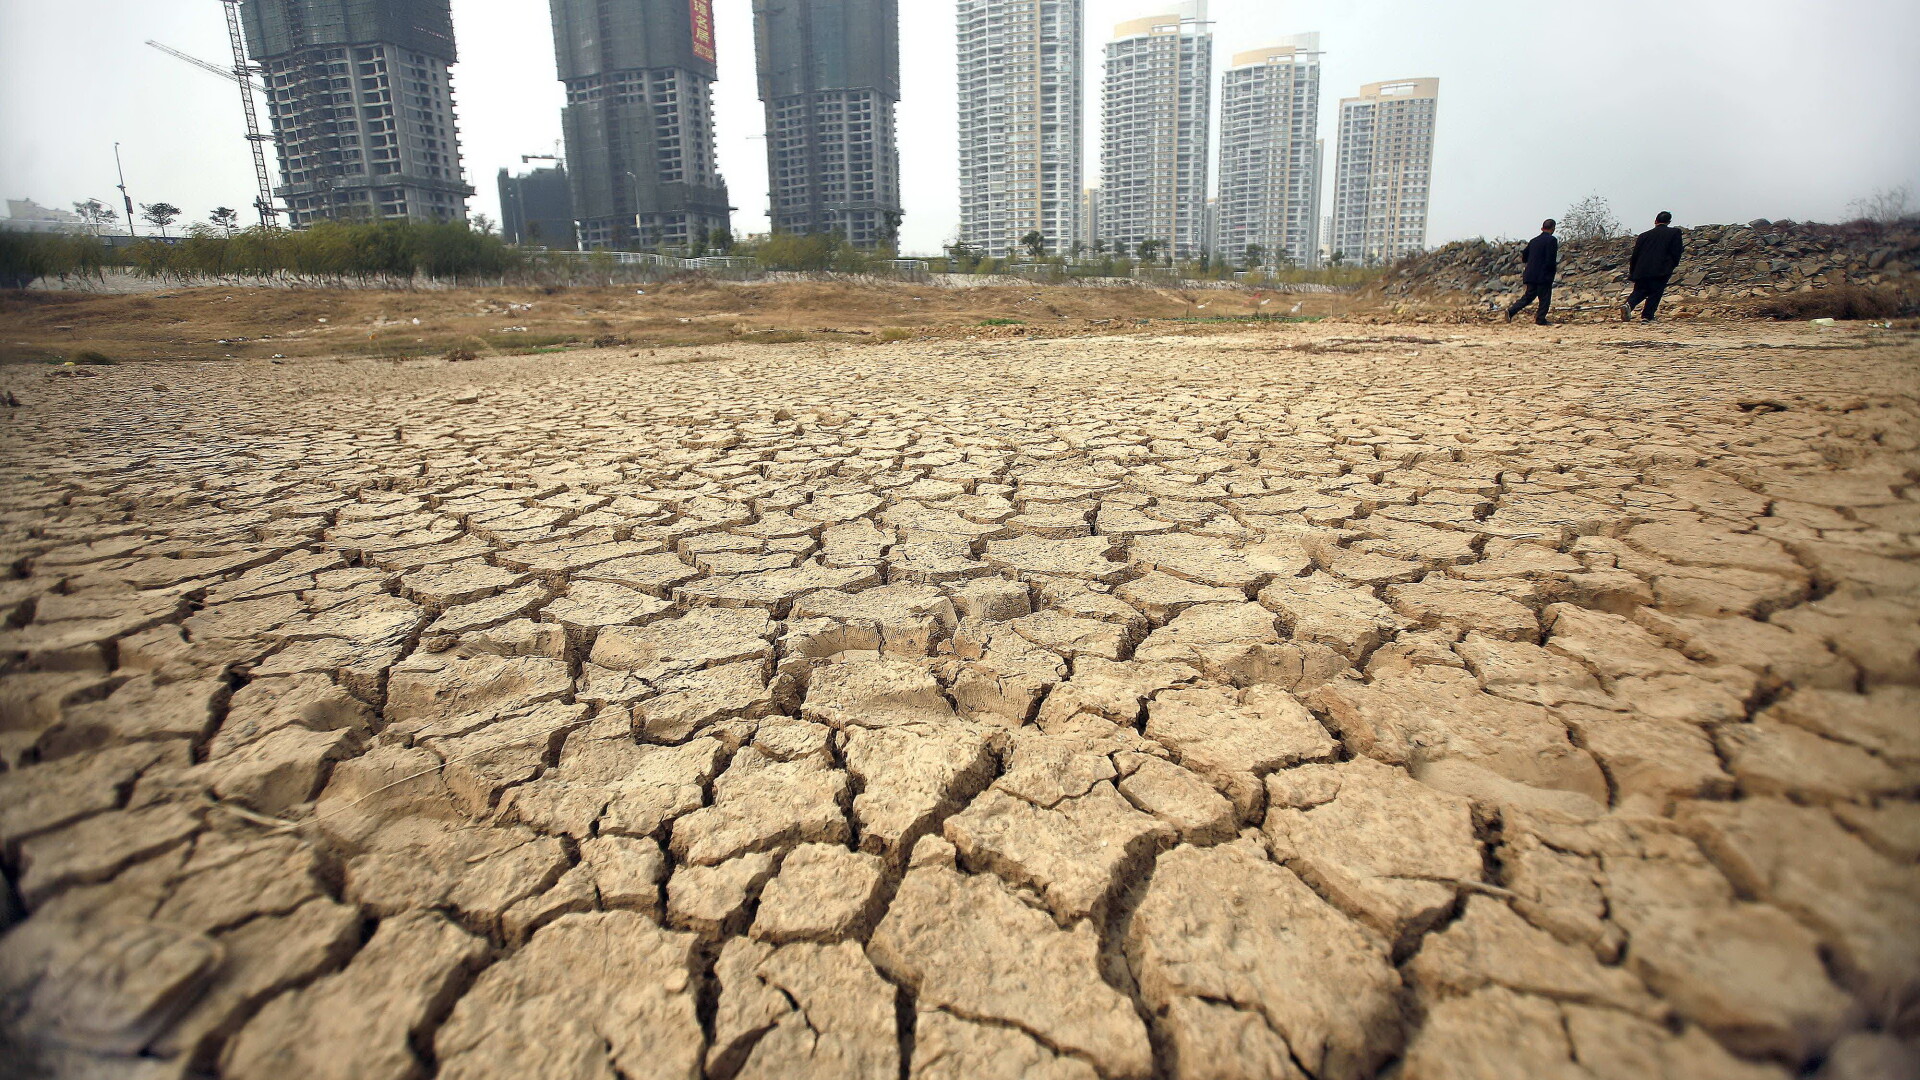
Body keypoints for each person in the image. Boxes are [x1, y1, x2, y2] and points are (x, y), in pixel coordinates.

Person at [1624, 211, 1685, 322]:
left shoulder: (1643, 236)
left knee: (1640, 290)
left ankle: (1628, 305)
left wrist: (1633, 271)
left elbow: (1635, 254)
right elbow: (1676, 251)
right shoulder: (1675, 232)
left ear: (1655, 221)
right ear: (1669, 222)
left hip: (1641, 268)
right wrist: (1672, 265)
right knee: (1656, 292)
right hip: (1661, 268)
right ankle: (1647, 316)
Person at [1506, 220, 1558, 325]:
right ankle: (1540, 319)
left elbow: (1524, 256)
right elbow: (1550, 259)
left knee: (1528, 297)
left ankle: (1511, 311)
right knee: (1545, 298)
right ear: (1553, 228)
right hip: (1543, 274)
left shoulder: (1534, 241)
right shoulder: (1552, 240)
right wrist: (1551, 271)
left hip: (1530, 273)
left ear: (1542, 228)